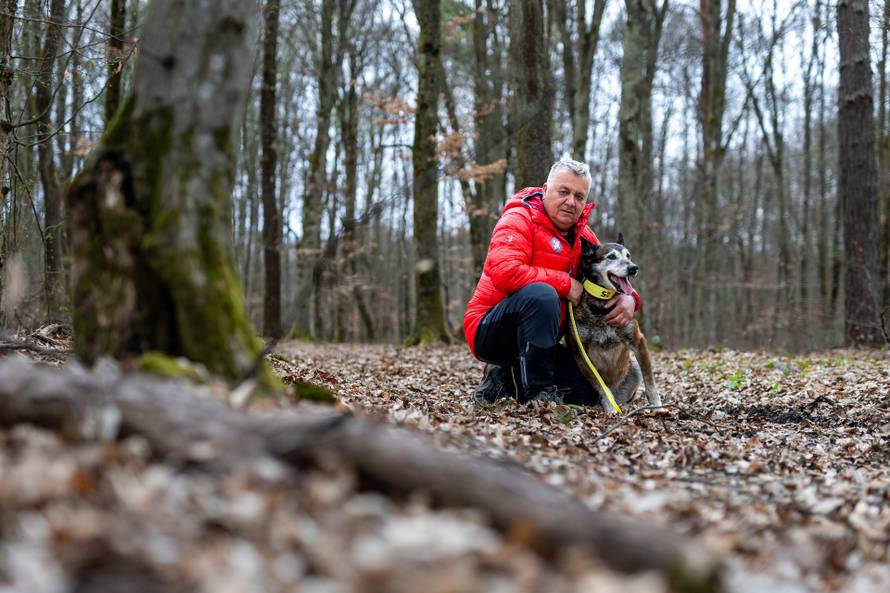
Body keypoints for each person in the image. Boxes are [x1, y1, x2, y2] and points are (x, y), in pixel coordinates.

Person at [463, 158, 640, 405]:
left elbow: (605, 275)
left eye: (579, 196)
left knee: (587, 396)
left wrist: (629, 298)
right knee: (543, 294)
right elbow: (505, 272)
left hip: (540, 341)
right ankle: (539, 393)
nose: (571, 201)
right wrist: (566, 285)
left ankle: (504, 377)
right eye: (564, 192)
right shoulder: (518, 219)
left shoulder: (583, 237)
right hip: (490, 329)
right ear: (546, 189)